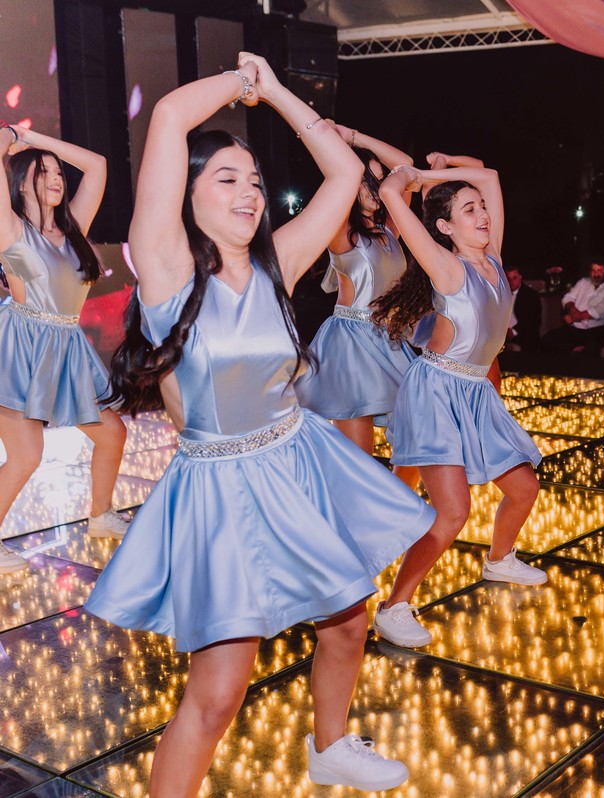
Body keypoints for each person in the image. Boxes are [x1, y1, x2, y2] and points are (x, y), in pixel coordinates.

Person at [84, 55, 434, 794]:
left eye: (253, 181)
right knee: (217, 695)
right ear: (186, 195)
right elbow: (170, 116)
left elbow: (344, 173)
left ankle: (330, 746)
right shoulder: (166, 266)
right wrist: (240, 83)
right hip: (220, 487)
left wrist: (276, 93)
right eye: (226, 179)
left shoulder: (281, 261)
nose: (248, 193)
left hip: (298, 459)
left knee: (349, 621)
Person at [370, 160, 545, 648]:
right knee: (452, 513)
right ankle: (394, 606)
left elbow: (491, 176)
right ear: (445, 227)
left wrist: (445, 171)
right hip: (437, 391)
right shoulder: (447, 266)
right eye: (470, 210)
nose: (483, 214)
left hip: (476, 392)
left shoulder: (494, 259)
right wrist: (417, 177)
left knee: (524, 489)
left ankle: (499, 559)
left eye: (482, 208)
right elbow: (390, 192)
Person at [0, 122, 129, 574]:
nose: (56, 178)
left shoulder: (74, 228)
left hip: (66, 347)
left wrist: (36, 141)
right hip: (19, 350)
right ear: (20, 182)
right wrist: (10, 138)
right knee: (26, 456)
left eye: (58, 172)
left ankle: (101, 515)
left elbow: (97, 165)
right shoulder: (11, 228)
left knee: (112, 433)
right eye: (43, 172)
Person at [294, 125, 416, 456]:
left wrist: (354, 137)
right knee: (359, 456)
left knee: (418, 438)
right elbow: (337, 177)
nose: (375, 189)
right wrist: (338, 148)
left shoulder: (390, 231)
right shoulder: (341, 232)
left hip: (389, 339)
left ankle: (395, 491)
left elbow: (405, 166)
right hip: (350, 345)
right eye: (366, 181)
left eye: (379, 180)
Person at [541, 258, 604, 356]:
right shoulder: (583, 282)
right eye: (593, 270)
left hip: (599, 329)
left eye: (599, 270)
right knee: (547, 339)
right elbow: (567, 298)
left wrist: (574, 316)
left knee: (591, 347)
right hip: (576, 327)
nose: (596, 274)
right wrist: (572, 309)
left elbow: (600, 311)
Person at [505, 263, 542, 352]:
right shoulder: (500, 294)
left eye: (514, 278)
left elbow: (531, 321)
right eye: (508, 278)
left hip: (522, 335)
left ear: (520, 278)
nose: (511, 282)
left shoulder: (531, 296)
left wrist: (513, 331)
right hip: (502, 334)